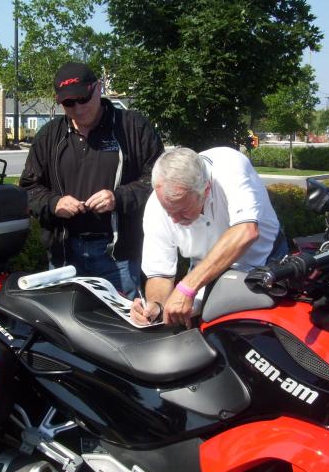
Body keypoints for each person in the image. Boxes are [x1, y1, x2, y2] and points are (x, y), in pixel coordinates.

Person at [19, 62, 164, 297]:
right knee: (62, 329)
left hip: (118, 256)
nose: (77, 108)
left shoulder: (132, 127)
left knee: (121, 329)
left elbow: (159, 181)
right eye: (68, 103)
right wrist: (53, 203)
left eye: (82, 99)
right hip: (64, 257)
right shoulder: (49, 136)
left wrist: (118, 198)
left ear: (97, 88)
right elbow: (29, 188)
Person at [131, 147, 288, 327]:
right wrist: (156, 307)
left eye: (182, 212)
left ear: (205, 191)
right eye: (169, 212)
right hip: (205, 272)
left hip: (265, 260)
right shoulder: (156, 207)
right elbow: (160, 273)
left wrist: (186, 287)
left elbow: (246, 231)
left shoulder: (230, 166)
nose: (174, 219)